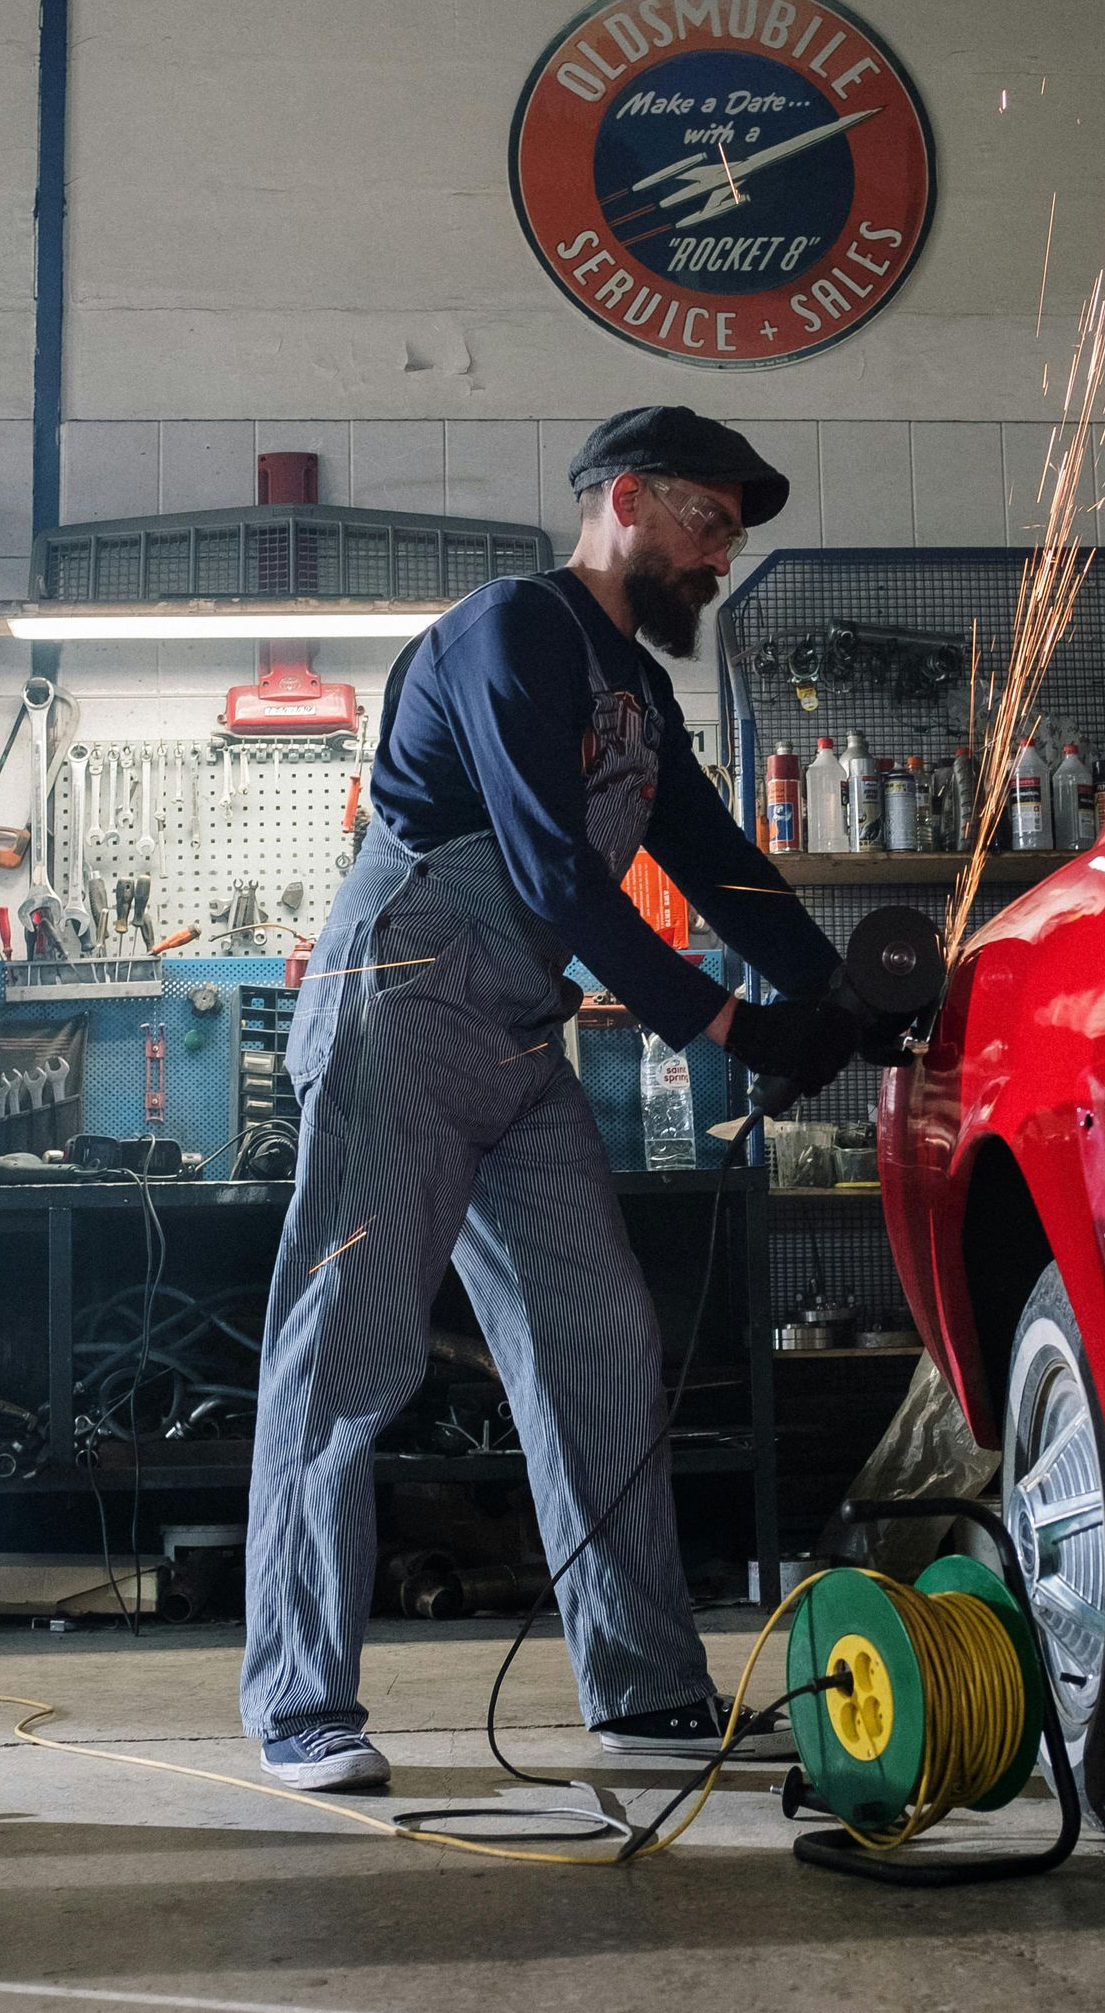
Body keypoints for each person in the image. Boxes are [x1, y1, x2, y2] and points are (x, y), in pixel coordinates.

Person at [241, 406, 858, 1792]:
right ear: (623, 499)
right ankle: (298, 1703)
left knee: (600, 1337)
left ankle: (642, 1686)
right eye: (706, 522)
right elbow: (548, 869)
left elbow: (715, 860)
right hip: (403, 1004)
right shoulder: (510, 631)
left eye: (732, 536)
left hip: (516, 1035)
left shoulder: (635, 692)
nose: (720, 557)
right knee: (347, 1354)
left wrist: (843, 990)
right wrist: (725, 1023)